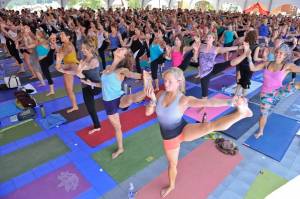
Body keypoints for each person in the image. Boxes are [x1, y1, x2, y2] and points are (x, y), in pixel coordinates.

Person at [144, 67, 253, 198]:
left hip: (182, 130)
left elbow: (208, 102)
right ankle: (171, 185)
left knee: (209, 127)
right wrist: (152, 101)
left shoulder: (183, 100)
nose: (165, 84)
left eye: (169, 81)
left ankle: (241, 114)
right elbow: (148, 112)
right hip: (169, 138)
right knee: (172, 164)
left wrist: (230, 102)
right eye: (165, 80)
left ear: (178, 81)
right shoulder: (160, 94)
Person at [88, 47, 149, 159]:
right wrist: (91, 83)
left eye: (122, 50)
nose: (119, 48)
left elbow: (130, 74)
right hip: (108, 103)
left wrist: (142, 76)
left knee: (130, 98)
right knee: (117, 128)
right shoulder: (107, 68)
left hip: (119, 98)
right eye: (120, 48)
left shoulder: (121, 70)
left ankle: (146, 91)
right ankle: (120, 148)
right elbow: (103, 85)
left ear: (123, 57)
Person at [239, 43, 300, 138]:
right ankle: (261, 131)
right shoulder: (267, 63)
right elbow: (252, 68)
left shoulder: (287, 66)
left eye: (281, 53)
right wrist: (249, 56)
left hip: (279, 92)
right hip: (266, 94)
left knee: (295, 85)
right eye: (278, 52)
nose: (278, 54)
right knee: (264, 113)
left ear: (285, 56)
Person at [55, 29, 79, 113]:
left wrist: (57, 65)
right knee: (67, 88)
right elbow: (58, 52)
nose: (60, 36)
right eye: (60, 35)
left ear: (68, 36)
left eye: (62, 35)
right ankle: (74, 105)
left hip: (71, 66)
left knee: (69, 89)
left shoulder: (68, 46)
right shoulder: (64, 44)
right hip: (67, 66)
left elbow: (61, 55)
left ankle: (75, 106)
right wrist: (54, 44)